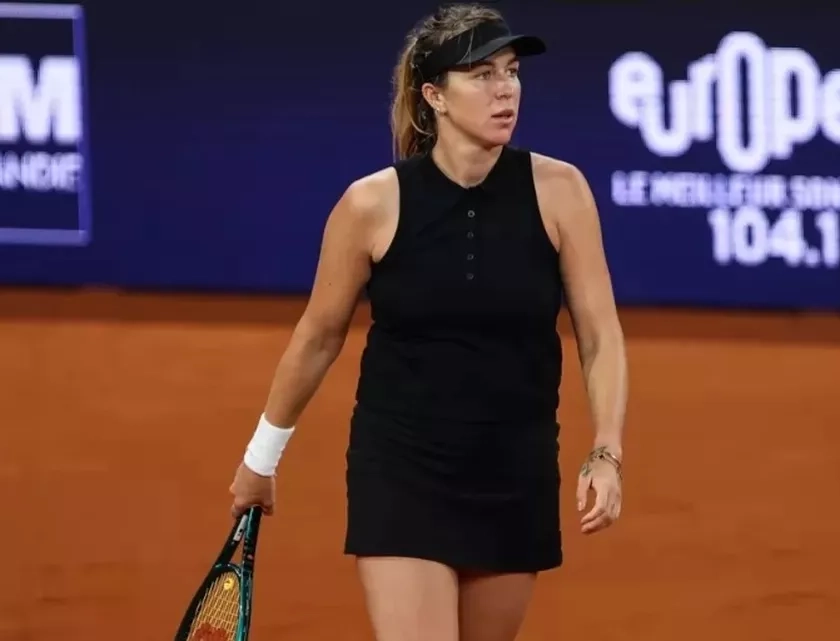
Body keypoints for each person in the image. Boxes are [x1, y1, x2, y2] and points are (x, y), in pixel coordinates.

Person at [228, 3, 628, 640]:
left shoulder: (562, 192)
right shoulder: (370, 205)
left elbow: (600, 335)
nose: (505, 90)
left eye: (512, 71)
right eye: (482, 75)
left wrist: (606, 452)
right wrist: (260, 460)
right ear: (434, 96)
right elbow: (318, 337)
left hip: (514, 471)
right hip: (403, 468)